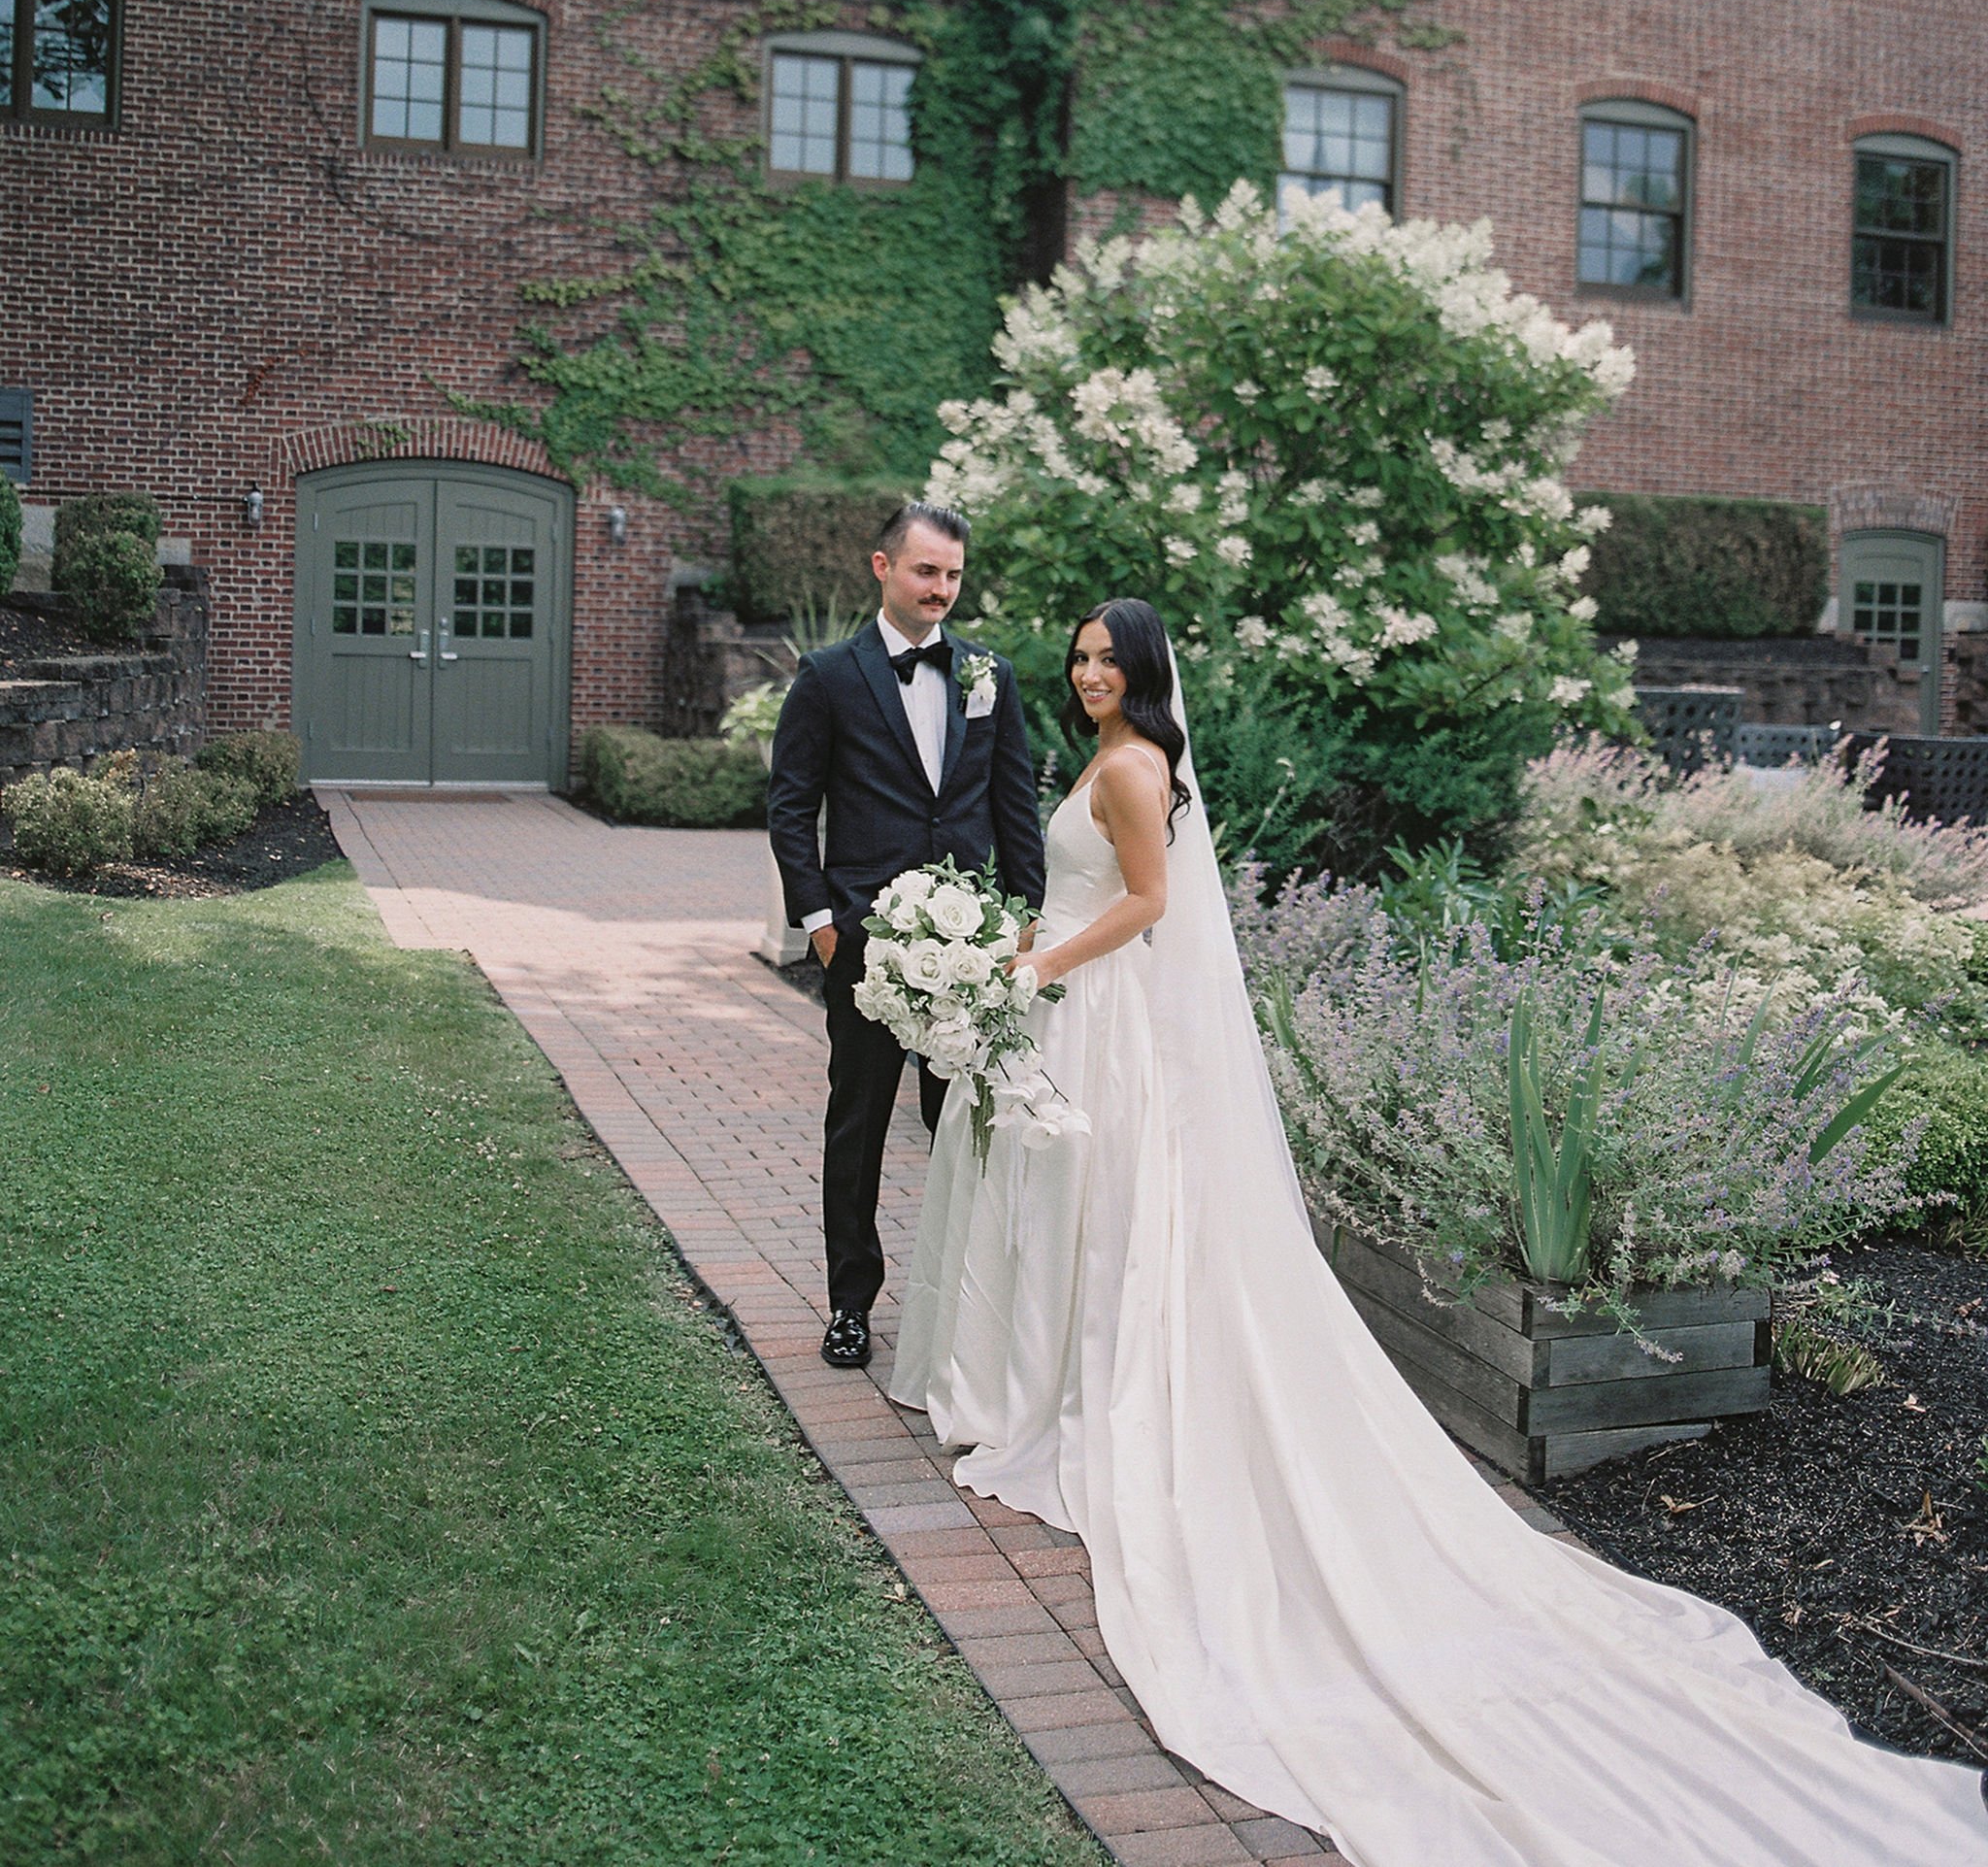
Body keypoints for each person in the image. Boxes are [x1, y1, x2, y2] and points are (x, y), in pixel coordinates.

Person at [891, 596, 1988, 1866]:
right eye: (1078, 657)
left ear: (1143, 674)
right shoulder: (1113, 756)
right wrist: (1015, 945)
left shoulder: (1133, 766)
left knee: (1116, 1224)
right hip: (1091, 1008)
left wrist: (1035, 967)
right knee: (1098, 1224)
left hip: (1106, 1014)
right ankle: (1074, 1370)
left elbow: (1143, 903)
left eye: (1106, 658)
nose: (1087, 673)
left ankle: (1088, 1386)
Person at [766, 502, 1045, 1372]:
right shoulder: (828, 676)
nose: (942, 590)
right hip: (863, 952)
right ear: (883, 568)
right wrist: (819, 924)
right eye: (927, 572)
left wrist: (1024, 914)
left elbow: (1014, 802)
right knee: (857, 1128)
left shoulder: (987, 672)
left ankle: (958, 1306)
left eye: (954, 575)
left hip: (969, 956)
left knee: (961, 1127)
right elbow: (790, 806)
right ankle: (851, 1304)